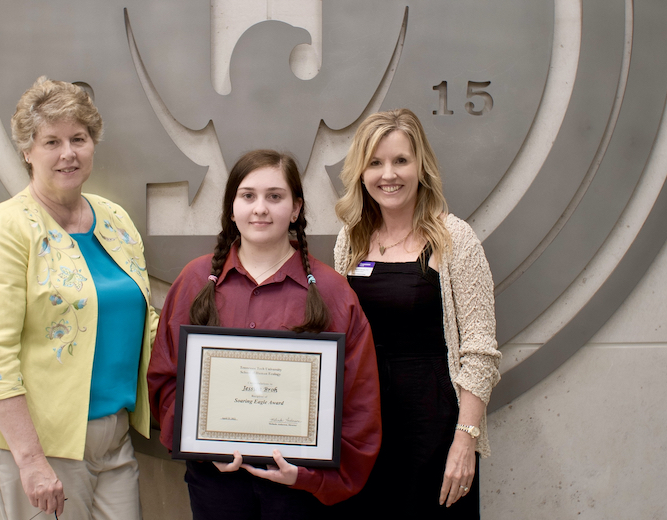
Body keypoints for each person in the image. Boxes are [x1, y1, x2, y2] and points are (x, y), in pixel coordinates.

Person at [0, 77, 157, 520]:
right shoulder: (3, 231)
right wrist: (30, 461)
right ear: (27, 151)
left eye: (78, 139)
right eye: (52, 141)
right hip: (35, 447)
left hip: (113, 437)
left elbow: (145, 322)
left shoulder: (115, 219)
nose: (68, 153)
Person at [147, 150, 381, 519]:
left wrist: (310, 476)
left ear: (296, 208)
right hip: (215, 485)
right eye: (248, 196)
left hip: (299, 492)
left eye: (275, 196)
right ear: (231, 208)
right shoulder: (193, 281)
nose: (260, 208)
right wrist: (200, 442)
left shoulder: (333, 293)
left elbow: (359, 399)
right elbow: (165, 377)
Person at [333, 109, 500, 518]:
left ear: (421, 166)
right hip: (364, 425)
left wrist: (465, 439)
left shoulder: (455, 238)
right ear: (361, 172)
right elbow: (339, 333)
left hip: (435, 427)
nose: (388, 174)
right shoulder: (350, 239)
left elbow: (480, 351)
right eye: (375, 162)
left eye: (401, 160)